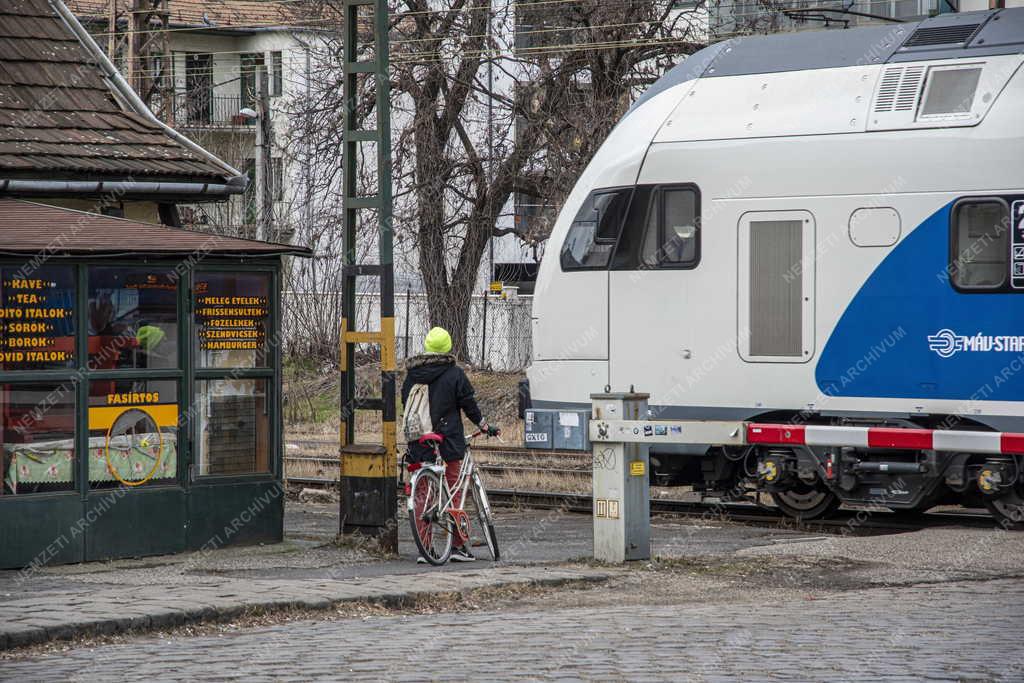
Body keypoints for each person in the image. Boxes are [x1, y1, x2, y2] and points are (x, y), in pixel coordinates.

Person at [402, 326, 497, 562]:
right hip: (447, 439)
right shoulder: (454, 373)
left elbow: (406, 403)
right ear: (448, 347)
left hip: (419, 439)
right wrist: (484, 425)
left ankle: (426, 548)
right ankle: (457, 547)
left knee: (423, 493)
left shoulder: (412, 374)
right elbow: (469, 404)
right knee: (454, 488)